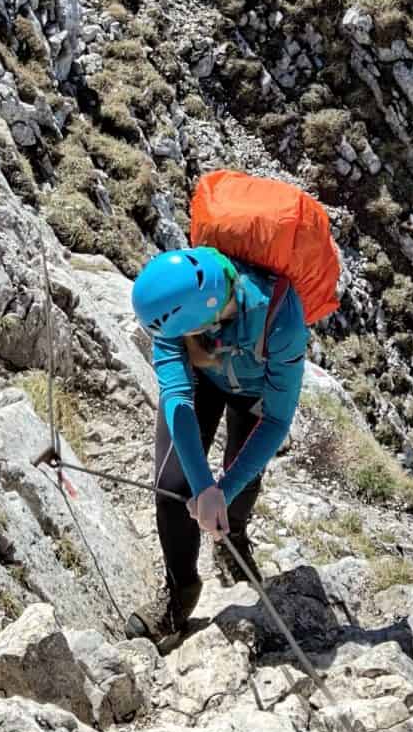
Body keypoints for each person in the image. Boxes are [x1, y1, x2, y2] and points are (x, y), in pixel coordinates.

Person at [127, 243, 308, 644]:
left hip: (256, 396)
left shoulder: (282, 318)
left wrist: (221, 491)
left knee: (240, 487)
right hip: (202, 382)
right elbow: (176, 395)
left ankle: (234, 537)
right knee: (173, 487)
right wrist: (201, 484)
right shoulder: (173, 306)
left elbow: (278, 419)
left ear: (202, 320)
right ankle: (181, 592)